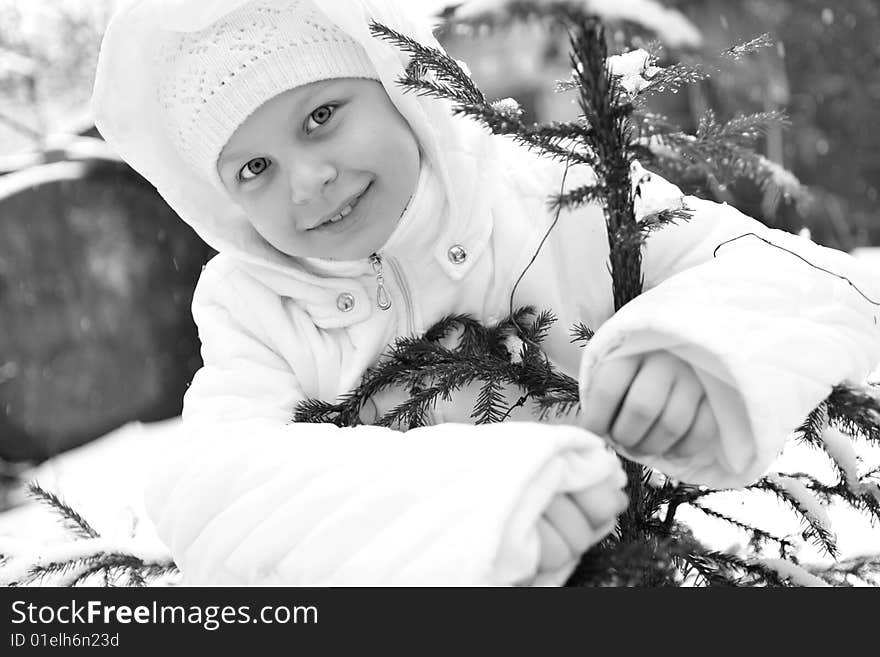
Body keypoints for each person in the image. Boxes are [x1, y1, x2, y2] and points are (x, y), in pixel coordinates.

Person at [90, 0, 880, 586]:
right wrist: (481, 506)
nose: (306, 180)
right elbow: (214, 485)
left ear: (396, 88)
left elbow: (811, 278)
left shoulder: (544, 191)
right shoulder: (253, 306)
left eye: (321, 116)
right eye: (251, 169)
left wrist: (694, 349)